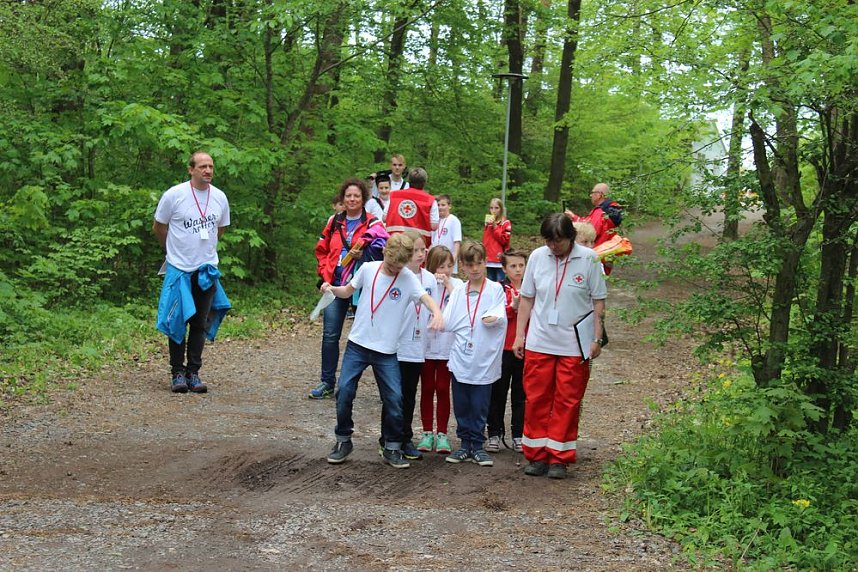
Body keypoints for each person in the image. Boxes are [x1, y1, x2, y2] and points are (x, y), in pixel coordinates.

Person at [322, 233, 444, 469]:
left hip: (386, 351)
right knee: (344, 391)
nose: (394, 269)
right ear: (385, 254)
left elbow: (426, 298)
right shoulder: (369, 268)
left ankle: (392, 446)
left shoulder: (408, 278)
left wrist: (437, 313)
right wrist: (331, 289)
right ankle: (343, 440)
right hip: (358, 345)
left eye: (399, 266)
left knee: (395, 399)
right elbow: (347, 291)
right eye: (391, 264)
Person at [512, 213, 607, 480]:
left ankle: (559, 457)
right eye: (549, 241)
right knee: (537, 397)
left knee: (567, 400)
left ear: (571, 238)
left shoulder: (589, 259)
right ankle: (536, 454)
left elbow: (598, 302)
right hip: (540, 341)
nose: (553, 246)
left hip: (574, 344)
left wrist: (596, 339)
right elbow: (527, 299)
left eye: (559, 242)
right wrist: (520, 335)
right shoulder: (537, 257)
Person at [153, 151, 231, 394]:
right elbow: (159, 226)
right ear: (191, 170)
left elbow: (221, 229)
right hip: (179, 269)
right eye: (202, 166)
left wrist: (204, 252)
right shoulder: (174, 195)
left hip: (206, 270)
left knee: (200, 322)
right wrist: (173, 251)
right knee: (178, 321)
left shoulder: (219, 197)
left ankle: (193, 373)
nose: (207, 170)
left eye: (210, 166)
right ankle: (177, 372)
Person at [311, 178, 387, 400]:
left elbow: (384, 248)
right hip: (335, 285)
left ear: (363, 198)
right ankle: (327, 382)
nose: (352, 199)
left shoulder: (373, 223)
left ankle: (373, 385)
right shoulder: (334, 222)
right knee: (330, 334)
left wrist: (366, 253)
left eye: (356, 196)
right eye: (348, 196)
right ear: (342, 199)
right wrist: (324, 277)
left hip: (363, 287)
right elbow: (322, 251)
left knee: (367, 336)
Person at [443, 241, 507, 467]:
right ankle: (464, 444)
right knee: (461, 402)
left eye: (479, 264)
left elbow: (499, 316)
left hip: (484, 356)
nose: (475, 269)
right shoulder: (459, 290)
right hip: (461, 355)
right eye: (470, 265)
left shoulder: (495, 289)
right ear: (463, 265)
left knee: (480, 403)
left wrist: (494, 318)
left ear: (485, 262)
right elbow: (449, 320)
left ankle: (478, 445)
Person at [380, 230, 435, 461]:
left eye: (423, 250)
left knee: (410, 393)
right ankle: (387, 438)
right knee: (393, 395)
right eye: (415, 251)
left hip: (417, 345)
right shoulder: (394, 276)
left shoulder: (430, 279)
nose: (420, 254)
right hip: (395, 345)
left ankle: (404, 436)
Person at [418, 245, 463, 454]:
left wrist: (449, 285)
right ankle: (427, 432)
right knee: (427, 388)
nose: (444, 271)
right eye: (441, 266)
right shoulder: (425, 282)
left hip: (447, 346)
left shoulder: (458, 284)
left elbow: (463, 304)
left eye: (449, 266)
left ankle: (443, 434)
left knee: (444, 389)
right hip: (426, 345)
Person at [485, 248, 528, 453]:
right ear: (504, 268)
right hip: (503, 348)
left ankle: (518, 434)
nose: (518, 270)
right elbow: (495, 316)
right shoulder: (498, 289)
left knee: (521, 393)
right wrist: (513, 307)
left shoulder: (531, 289)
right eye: (513, 266)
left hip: (525, 348)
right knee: (498, 392)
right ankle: (494, 432)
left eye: (521, 265)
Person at [566, 183, 623, 275]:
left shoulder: (600, 212)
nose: (591, 195)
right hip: (605, 254)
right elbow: (589, 223)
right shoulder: (611, 211)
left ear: (599, 195)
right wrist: (574, 217)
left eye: (592, 193)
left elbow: (589, 232)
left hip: (594, 255)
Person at [384, 167, 439, 238]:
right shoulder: (430, 200)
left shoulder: (394, 195)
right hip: (419, 243)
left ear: (409, 181)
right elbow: (434, 226)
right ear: (425, 182)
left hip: (395, 240)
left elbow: (384, 218)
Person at [431, 194, 462, 273]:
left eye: (443, 205)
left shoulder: (454, 220)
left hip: (448, 261)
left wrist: (453, 260)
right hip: (436, 260)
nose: (440, 207)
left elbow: (457, 242)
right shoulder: (435, 221)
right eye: (438, 205)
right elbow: (432, 242)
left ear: (449, 206)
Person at [482, 197, 511, 282]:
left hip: (499, 258)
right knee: (490, 282)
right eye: (491, 208)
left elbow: (504, 240)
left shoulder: (506, 223)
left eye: (496, 208)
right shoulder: (488, 222)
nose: (493, 210)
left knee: (499, 283)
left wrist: (495, 227)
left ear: (501, 209)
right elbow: (486, 240)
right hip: (489, 257)